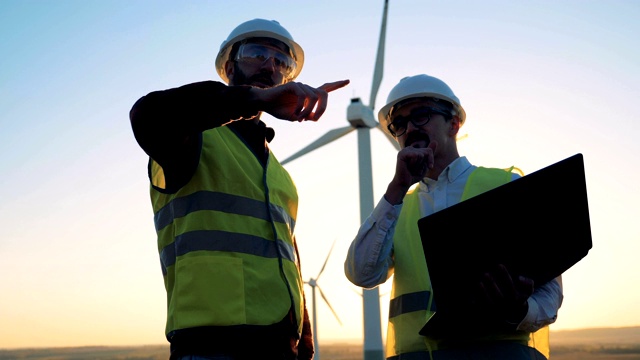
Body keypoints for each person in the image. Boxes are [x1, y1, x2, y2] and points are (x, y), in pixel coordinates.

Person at [129, 18, 349, 360]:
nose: (269, 65)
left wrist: (303, 343)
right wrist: (247, 99)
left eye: (282, 62)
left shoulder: (279, 175)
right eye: (257, 53)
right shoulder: (190, 138)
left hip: (279, 347)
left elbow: (288, 261)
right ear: (229, 66)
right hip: (209, 344)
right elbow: (148, 114)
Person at [344, 74, 563, 359]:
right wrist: (396, 188)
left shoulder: (506, 186)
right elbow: (361, 273)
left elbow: (550, 295)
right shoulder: (396, 208)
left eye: (421, 116)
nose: (409, 128)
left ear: (454, 124)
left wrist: (519, 310)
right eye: (399, 124)